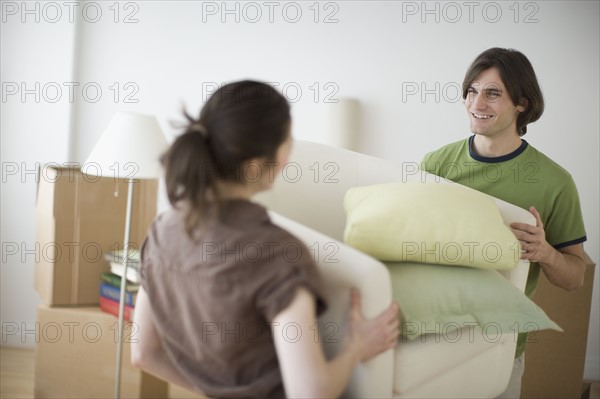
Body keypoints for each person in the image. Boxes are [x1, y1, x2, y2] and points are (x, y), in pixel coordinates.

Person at [131, 80, 400, 399]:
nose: (290, 150)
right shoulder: (279, 254)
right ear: (256, 166)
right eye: (287, 141)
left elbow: (143, 354)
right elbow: (310, 394)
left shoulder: (162, 230)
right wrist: (357, 348)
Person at [420, 47, 587, 398]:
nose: (476, 103)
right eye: (472, 91)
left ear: (522, 103)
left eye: (493, 93)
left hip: (498, 348)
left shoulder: (555, 182)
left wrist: (545, 253)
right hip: (429, 339)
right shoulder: (435, 163)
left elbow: (575, 277)